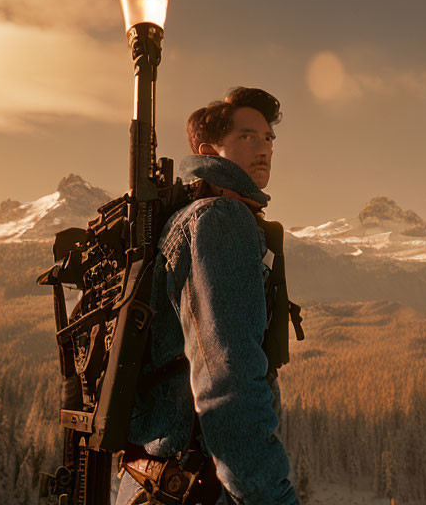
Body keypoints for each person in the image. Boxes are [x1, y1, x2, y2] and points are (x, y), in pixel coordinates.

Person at [116, 87, 299, 505]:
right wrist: (270, 496)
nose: (264, 147)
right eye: (247, 136)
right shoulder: (221, 218)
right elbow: (227, 378)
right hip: (196, 485)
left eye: (268, 138)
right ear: (207, 150)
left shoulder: (188, 218)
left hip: (155, 481)